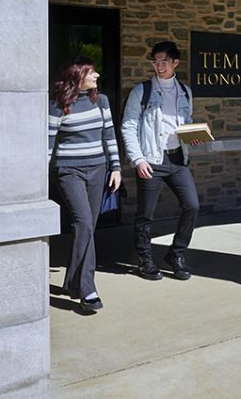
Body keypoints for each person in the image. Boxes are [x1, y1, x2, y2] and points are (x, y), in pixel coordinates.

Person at [121, 41, 201, 281]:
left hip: (177, 159)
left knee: (192, 205)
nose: (159, 66)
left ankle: (176, 254)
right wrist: (138, 159)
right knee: (145, 214)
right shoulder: (142, 91)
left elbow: (185, 120)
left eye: (164, 61)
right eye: (155, 61)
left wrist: (192, 134)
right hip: (151, 160)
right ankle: (144, 259)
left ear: (175, 62)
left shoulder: (185, 91)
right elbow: (128, 126)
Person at [48, 57, 122, 314]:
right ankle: (87, 290)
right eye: (92, 72)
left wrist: (116, 167)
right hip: (69, 172)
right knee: (84, 223)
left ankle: (73, 281)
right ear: (77, 76)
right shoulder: (58, 104)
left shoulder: (100, 101)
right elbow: (48, 142)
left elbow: (109, 136)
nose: (97, 76)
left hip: (98, 170)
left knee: (88, 228)